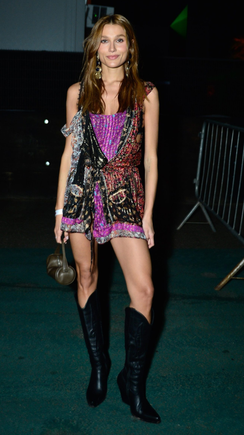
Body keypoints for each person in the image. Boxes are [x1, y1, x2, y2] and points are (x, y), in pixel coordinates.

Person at [54, 14, 160, 424]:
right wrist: (59, 211)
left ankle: (132, 383)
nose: (112, 48)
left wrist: (148, 215)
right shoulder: (77, 93)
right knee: (86, 276)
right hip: (82, 196)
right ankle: (99, 366)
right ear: (94, 48)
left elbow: (150, 159)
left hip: (126, 196)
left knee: (144, 290)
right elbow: (69, 153)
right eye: (104, 40)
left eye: (119, 40)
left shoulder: (145, 93)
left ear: (130, 47)